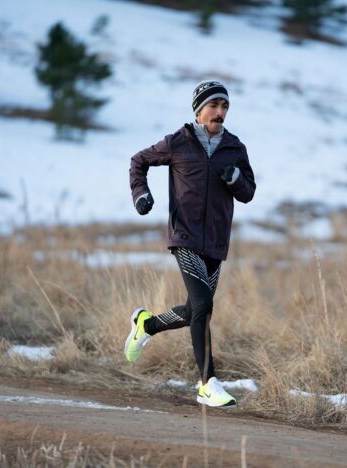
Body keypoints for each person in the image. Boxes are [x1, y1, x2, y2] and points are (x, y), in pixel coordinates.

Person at [125, 80, 256, 408]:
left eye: (225, 106)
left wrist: (235, 179)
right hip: (184, 237)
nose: (221, 112)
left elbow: (249, 192)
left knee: (195, 309)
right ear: (199, 110)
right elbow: (138, 161)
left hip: (215, 241)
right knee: (204, 306)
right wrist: (141, 194)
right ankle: (206, 383)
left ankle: (147, 324)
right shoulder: (178, 143)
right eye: (214, 106)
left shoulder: (235, 148)